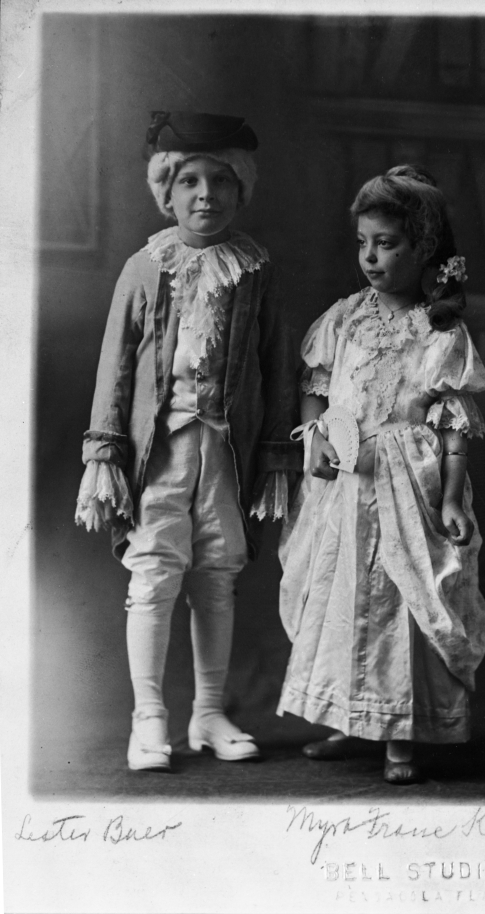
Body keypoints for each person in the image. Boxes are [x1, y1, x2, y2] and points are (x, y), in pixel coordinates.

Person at [75, 111, 301, 771]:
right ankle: (149, 720)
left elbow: (277, 361)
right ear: (167, 193)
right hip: (161, 454)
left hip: (226, 453)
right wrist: (106, 453)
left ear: (242, 191)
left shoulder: (255, 269)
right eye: (190, 182)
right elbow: (115, 365)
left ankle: (208, 712)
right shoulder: (145, 268)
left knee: (216, 578)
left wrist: (275, 460)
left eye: (221, 181)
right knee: (152, 577)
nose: (206, 195)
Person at [277, 164, 485, 784]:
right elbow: (316, 384)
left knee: (399, 602)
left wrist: (451, 498)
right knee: (341, 597)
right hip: (344, 489)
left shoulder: (437, 329)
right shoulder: (344, 318)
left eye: (388, 244)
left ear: (422, 248)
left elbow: (454, 422)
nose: (371, 257)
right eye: (364, 243)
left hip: (406, 489)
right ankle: (349, 719)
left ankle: (399, 736)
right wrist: (315, 436)